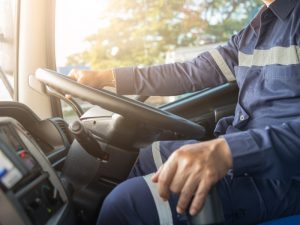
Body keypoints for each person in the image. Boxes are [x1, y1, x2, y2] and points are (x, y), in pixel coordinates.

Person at [68, 0, 300, 224]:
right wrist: (106, 78)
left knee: (126, 202)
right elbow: (190, 72)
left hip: (283, 175)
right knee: (148, 156)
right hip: (242, 156)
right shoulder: (253, 32)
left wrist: (229, 151)